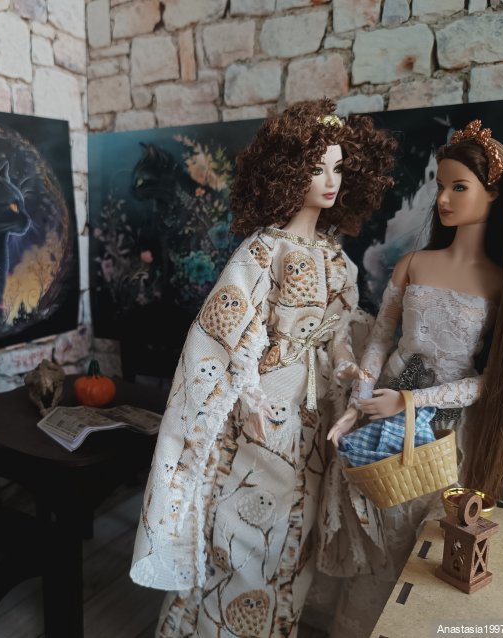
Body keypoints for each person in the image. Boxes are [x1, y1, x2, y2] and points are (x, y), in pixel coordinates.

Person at [128, 98, 397, 637]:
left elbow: (337, 331)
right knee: (243, 534)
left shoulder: (335, 257)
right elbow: (223, 331)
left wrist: (346, 365)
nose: (330, 181)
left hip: (313, 418)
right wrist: (249, 397)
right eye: (317, 167)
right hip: (266, 410)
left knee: (292, 540)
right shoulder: (263, 250)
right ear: (288, 170)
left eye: (338, 168)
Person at [326, 119, 503, 635]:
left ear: (493, 194)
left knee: (423, 547)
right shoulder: (414, 264)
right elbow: (380, 340)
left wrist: (411, 403)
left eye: (459, 187)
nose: (443, 199)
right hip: (383, 420)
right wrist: (358, 404)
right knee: (378, 529)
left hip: (446, 431)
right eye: (441, 186)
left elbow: (491, 381)